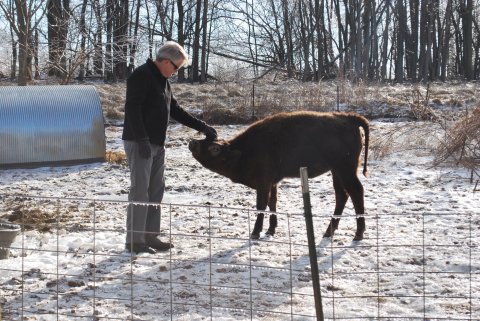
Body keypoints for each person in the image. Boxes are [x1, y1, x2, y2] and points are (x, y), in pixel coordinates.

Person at [122, 41, 217, 254]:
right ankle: (134, 241)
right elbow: (132, 108)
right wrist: (142, 139)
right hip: (140, 143)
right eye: (176, 67)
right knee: (140, 190)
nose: (176, 72)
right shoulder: (141, 75)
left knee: (156, 190)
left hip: (157, 144)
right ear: (165, 61)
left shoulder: (163, 81)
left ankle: (150, 236)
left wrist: (201, 126)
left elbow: (175, 109)